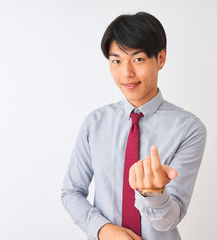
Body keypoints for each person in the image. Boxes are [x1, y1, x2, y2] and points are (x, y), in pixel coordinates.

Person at [61, 11, 207, 240]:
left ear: (160, 59)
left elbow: (172, 217)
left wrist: (154, 194)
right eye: (116, 61)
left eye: (138, 59)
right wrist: (102, 229)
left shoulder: (189, 129)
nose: (126, 73)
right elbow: (71, 192)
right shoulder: (94, 123)